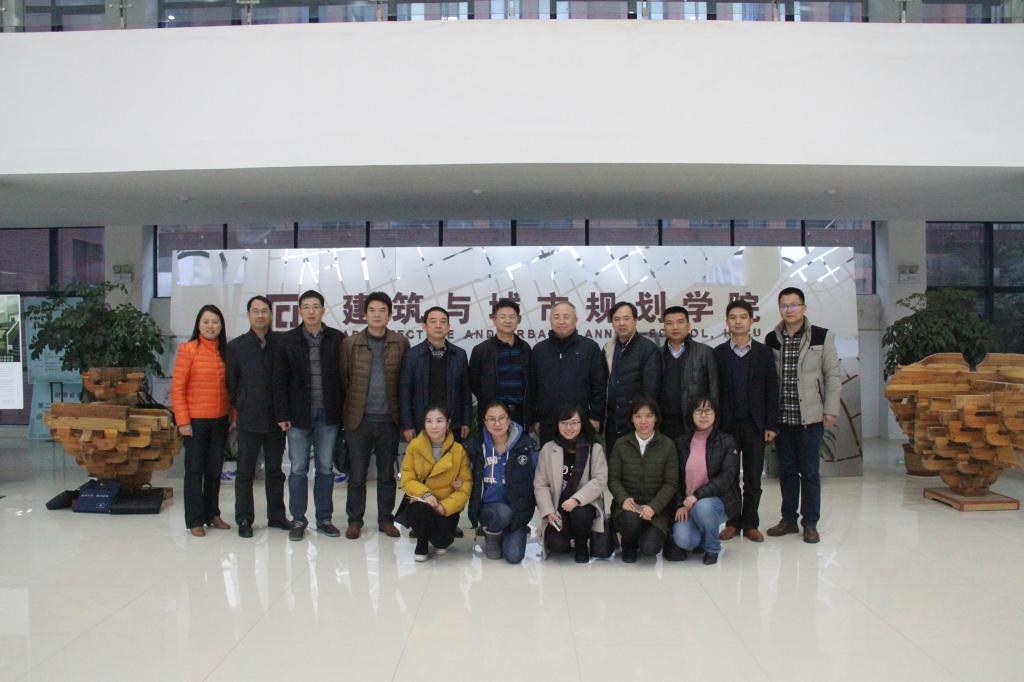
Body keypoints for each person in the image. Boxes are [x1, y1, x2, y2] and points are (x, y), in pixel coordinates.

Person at [764, 286, 842, 544]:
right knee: (786, 472)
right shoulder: (772, 338)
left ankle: (810, 523)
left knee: (809, 472)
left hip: (811, 417)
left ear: (804, 307)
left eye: (794, 304)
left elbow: (832, 375)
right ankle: (788, 519)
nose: (789, 310)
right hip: (783, 419)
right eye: (784, 305)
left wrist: (830, 409)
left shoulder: (821, 336)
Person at [273, 289, 345, 542]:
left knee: (325, 468)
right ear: (300, 311)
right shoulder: (287, 340)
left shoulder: (337, 338)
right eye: (306, 307)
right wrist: (282, 413)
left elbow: (343, 378)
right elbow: (279, 380)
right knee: (298, 469)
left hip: (328, 414)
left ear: (323, 310)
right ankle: (298, 519)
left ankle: (324, 519)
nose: (311, 311)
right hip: (297, 416)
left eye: (316, 306)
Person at [339, 291, 410, 540]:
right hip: (359, 420)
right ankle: (354, 520)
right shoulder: (351, 344)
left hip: (389, 420)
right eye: (372, 310)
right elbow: (344, 381)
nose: (377, 315)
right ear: (364, 314)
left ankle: (386, 519)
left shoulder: (400, 343)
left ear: (390, 315)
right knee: (357, 474)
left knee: (387, 474)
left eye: (382, 311)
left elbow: (404, 381)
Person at [713, 299, 779, 544]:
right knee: (729, 477)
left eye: (743, 317)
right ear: (727, 322)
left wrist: (771, 424)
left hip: (755, 425)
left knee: (753, 478)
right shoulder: (718, 353)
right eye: (733, 317)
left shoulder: (764, 353)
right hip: (727, 426)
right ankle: (732, 522)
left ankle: (750, 523)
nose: (738, 321)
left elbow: (772, 389)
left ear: (751, 320)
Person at [226, 295, 288, 538]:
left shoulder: (281, 343)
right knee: (245, 472)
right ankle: (244, 518)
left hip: (276, 419)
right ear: (248, 315)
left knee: (275, 471)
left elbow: (286, 380)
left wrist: (284, 413)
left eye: (264, 311)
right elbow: (231, 384)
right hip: (249, 418)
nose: (260, 315)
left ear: (271, 315)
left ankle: (277, 516)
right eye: (255, 311)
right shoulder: (237, 346)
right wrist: (242, 403)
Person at [172, 304, 231, 537]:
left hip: (220, 420)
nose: (210, 326)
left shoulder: (226, 352)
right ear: (198, 325)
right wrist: (183, 421)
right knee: (195, 471)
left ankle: (212, 513)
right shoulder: (188, 350)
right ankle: (195, 519)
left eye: (215, 322)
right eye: (206, 322)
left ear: (221, 326)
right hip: (195, 422)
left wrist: (233, 417)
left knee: (215, 469)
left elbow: (232, 387)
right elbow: (177, 388)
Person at [534, 403, 610, 563]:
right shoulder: (548, 449)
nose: (569, 428)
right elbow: (541, 484)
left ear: (582, 423)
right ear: (557, 424)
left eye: (574, 423)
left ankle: (581, 545)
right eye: (564, 423)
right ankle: (567, 537)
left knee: (580, 513)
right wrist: (548, 510)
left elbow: (600, 480)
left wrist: (576, 499)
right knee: (558, 546)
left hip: (584, 506)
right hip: (557, 508)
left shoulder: (594, 448)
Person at [670, 395, 740, 565]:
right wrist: (680, 504)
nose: (703, 415)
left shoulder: (727, 441)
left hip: (718, 502)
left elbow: (726, 478)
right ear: (691, 414)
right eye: (698, 411)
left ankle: (712, 548)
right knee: (684, 540)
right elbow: (674, 479)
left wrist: (697, 496)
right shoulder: (681, 443)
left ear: (715, 414)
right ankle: (704, 535)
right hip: (688, 503)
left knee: (703, 506)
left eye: (708, 410)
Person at [464, 400, 536, 564]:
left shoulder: (525, 446)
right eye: (491, 419)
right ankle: (492, 533)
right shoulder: (476, 446)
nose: (497, 423)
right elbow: (465, 476)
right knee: (503, 513)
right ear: (485, 422)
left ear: (509, 420)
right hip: (489, 508)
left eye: (501, 418)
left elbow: (537, 479)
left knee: (514, 556)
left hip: (517, 510)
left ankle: (508, 531)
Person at [608, 397, 679, 562]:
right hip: (628, 508)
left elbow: (671, 483)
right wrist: (623, 499)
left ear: (656, 418)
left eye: (648, 415)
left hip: (656, 510)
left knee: (649, 548)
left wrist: (654, 506)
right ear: (631, 419)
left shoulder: (668, 445)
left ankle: (649, 535)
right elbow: (613, 479)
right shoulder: (621, 444)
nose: (643, 421)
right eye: (638, 416)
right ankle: (629, 544)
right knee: (629, 520)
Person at [399, 404, 473, 562]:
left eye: (439, 421)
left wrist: (444, 506)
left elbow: (465, 485)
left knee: (442, 542)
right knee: (420, 509)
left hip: (445, 507)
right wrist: (425, 494)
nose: (434, 426)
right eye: (429, 421)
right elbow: (407, 478)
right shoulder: (415, 446)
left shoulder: (458, 450)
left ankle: (439, 536)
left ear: (448, 423)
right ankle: (422, 540)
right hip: (421, 503)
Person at [530, 301, 607, 448]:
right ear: (550, 320)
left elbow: (599, 385)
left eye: (566, 317)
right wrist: (535, 419)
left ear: (575, 320)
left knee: (580, 461)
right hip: (548, 423)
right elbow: (533, 388)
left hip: (580, 423)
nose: (561, 321)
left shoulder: (590, 348)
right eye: (556, 317)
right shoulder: (539, 350)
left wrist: (596, 417)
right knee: (549, 461)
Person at [399, 306, 472, 443]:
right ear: (424, 326)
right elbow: (405, 392)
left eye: (443, 321)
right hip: (421, 425)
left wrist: (466, 421)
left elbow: (465, 391)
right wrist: (408, 425)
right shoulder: (412, 355)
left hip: (453, 424)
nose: (438, 325)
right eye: (433, 321)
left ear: (448, 327)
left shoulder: (459, 355)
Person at [603, 301, 660, 455]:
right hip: (612, 423)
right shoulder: (608, 349)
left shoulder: (648, 349)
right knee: (614, 465)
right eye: (617, 319)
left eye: (626, 318)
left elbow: (651, 391)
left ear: (635, 320)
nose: (621, 323)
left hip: (637, 424)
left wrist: (643, 419)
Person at [469, 298, 532, 429]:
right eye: (502, 317)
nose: (508, 321)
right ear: (494, 319)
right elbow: (474, 383)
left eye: (512, 317)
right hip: (492, 416)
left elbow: (531, 382)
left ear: (518, 320)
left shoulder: (525, 349)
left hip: (520, 415)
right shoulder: (481, 350)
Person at [658, 305, 718, 441]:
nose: (675, 327)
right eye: (669, 323)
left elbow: (714, 391)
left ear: (688, 326)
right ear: (664, 328)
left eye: (680, 322)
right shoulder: (657, 354)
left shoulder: (705, 353)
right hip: (664, 425)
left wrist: (712, 424)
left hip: (695, 424)